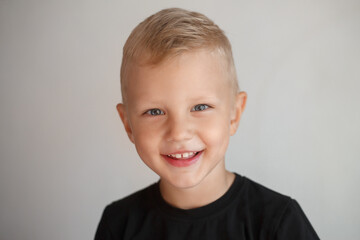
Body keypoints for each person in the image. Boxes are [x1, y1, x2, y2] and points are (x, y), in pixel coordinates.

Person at [94, 8, 320, 240]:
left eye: (200, 107)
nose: (179, 133)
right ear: (128, 124)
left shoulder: (278, 223)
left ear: (234, 114)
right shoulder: (118, 224)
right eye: (155, 111)